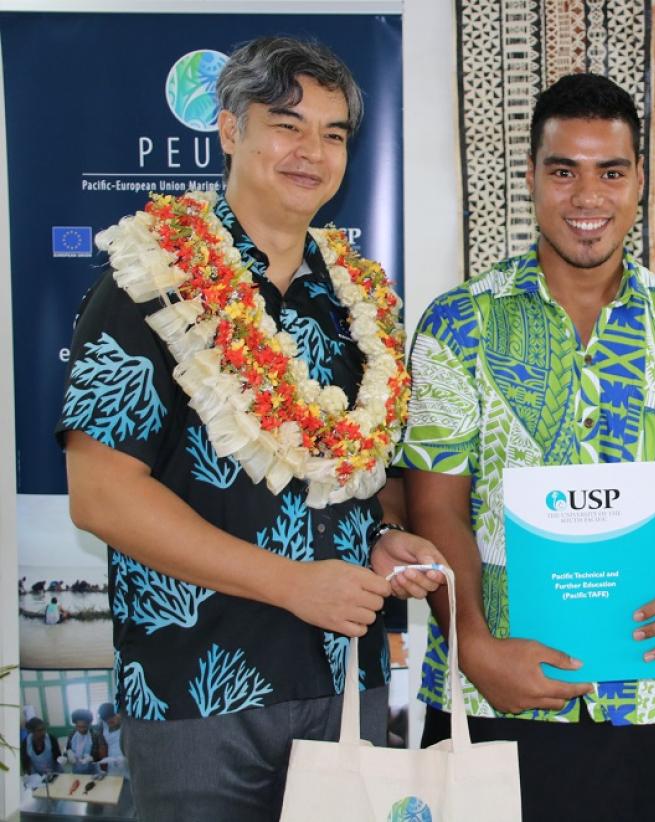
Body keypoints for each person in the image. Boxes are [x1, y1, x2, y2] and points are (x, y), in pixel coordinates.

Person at [58, 36, 444, 820]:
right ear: (230, 130)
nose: (312, 153)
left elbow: (341, 482)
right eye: (287, 125)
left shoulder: (357, 301)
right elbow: (101, 499)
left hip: (355, 681)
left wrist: (380, 539)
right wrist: (293, 585)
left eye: (333, 135)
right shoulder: (148, 285)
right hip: (199, 692)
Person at [397, 72, 655, 821]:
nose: (588, 198)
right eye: (564, 171)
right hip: (494, 692)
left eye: (610, 172)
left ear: (639, 180)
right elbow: (436, 507)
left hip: (652, 696)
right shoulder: (461, 324)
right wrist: (474, 647)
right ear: (531, 178)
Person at [63, 709, 106, 775]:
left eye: (84, 727)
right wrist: (69, 753)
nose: (81, 729)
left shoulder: (96, 736)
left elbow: (100, 755)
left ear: (89, 724)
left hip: (93, 771)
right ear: (75, 725)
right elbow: (68, 748)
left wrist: (91, 758)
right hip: (76, 770)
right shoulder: (72, 735)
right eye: (78, 727)